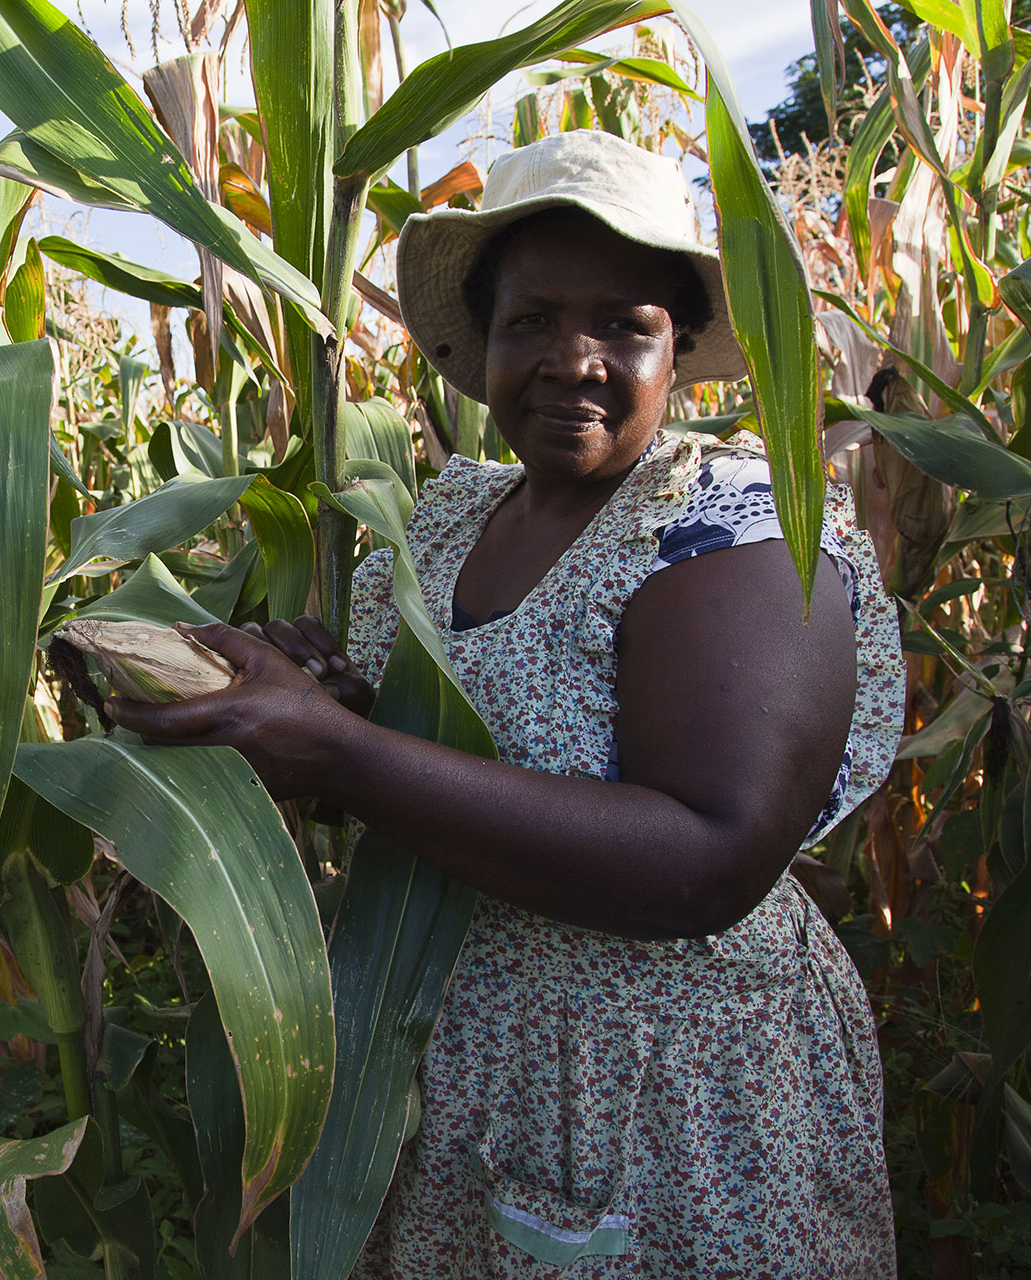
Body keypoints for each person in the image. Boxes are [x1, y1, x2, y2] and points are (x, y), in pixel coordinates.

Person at [109, 129, 903, 1276]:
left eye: (623, 325)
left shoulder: (729, 522)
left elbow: (711, 855)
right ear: (482, 338)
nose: (571, 359)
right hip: (461, 1054)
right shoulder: (446, 519)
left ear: (677, 347)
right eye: (531, 319)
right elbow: (457, 768)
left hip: (664, 1089)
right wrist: (331, 705)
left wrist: (342, 755)